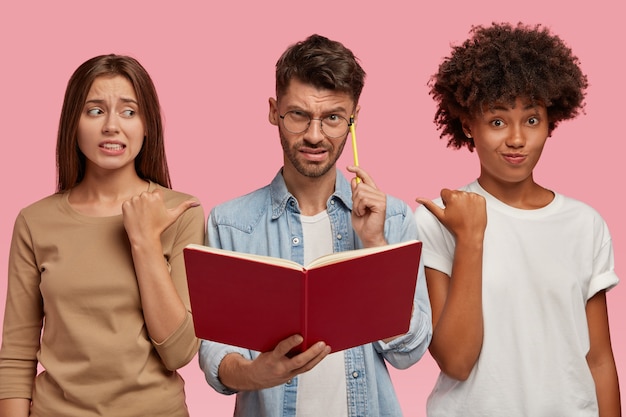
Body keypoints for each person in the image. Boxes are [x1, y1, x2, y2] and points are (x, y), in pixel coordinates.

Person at [198, 34, 432, 417]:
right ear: (274, 111)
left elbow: (411, 351)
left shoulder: (393, 218)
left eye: (333, 118)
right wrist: (256, 373)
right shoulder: (231, 223)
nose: (314, 135)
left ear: (354, 119)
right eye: (299, 115)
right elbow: (215, 349)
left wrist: (374, 245)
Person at [415, 22, 621, 416]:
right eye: (497, 121)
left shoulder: (584, 224)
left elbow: (598, 359)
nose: (516, 139)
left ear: (550, 123)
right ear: (467, 125)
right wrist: (471, 237)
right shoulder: (439, 221)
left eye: (531, 119)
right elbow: (456, 362)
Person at [0, 54, 205, 417]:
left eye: (129, 112)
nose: (112, 126)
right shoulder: (35, 221)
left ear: (147, 126)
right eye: (95, 111)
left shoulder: (180, 213)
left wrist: (144, 240)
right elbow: (17, 355)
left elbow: (179, 351)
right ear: (73, 124)